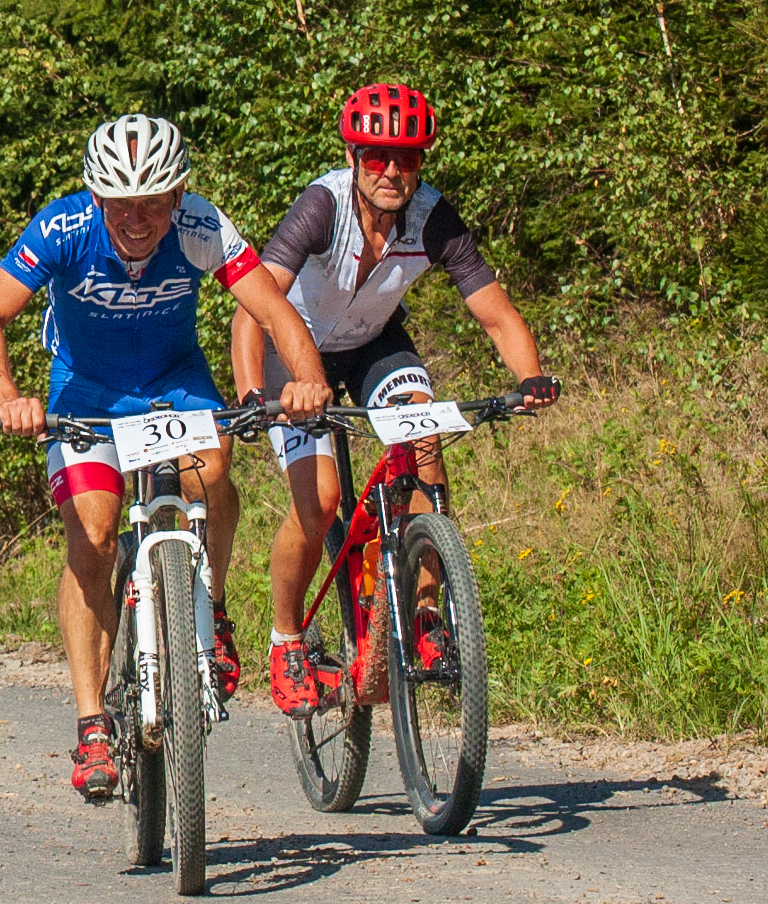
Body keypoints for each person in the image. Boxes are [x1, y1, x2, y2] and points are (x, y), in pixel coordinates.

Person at [0, 114, 330, 800]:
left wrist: (308, 380)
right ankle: (91, 724)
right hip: (86, 392)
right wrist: (6, 397)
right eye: (120, 204)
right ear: (95, 197)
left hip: (173, 383)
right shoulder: (62, 228)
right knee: (94, 537)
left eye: (154, 202)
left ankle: (211, 608)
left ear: (178, 193)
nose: (136, 219)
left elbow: (274, 311)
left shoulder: (201, 226)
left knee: (212, 474)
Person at [229, 82, 560, 718]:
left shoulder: (434, 219)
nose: (390, 171)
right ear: (353, 157)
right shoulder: (322, 207)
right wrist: (251, 393)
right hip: (291, 353)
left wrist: (531, 378)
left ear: (420, 163)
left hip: (373, 344)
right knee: (321, 501)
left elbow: (496, 314)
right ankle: (286, 639)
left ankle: (428, 615)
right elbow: (253, 307)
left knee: (423, 443)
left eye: (405, 158)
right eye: (376, 156)